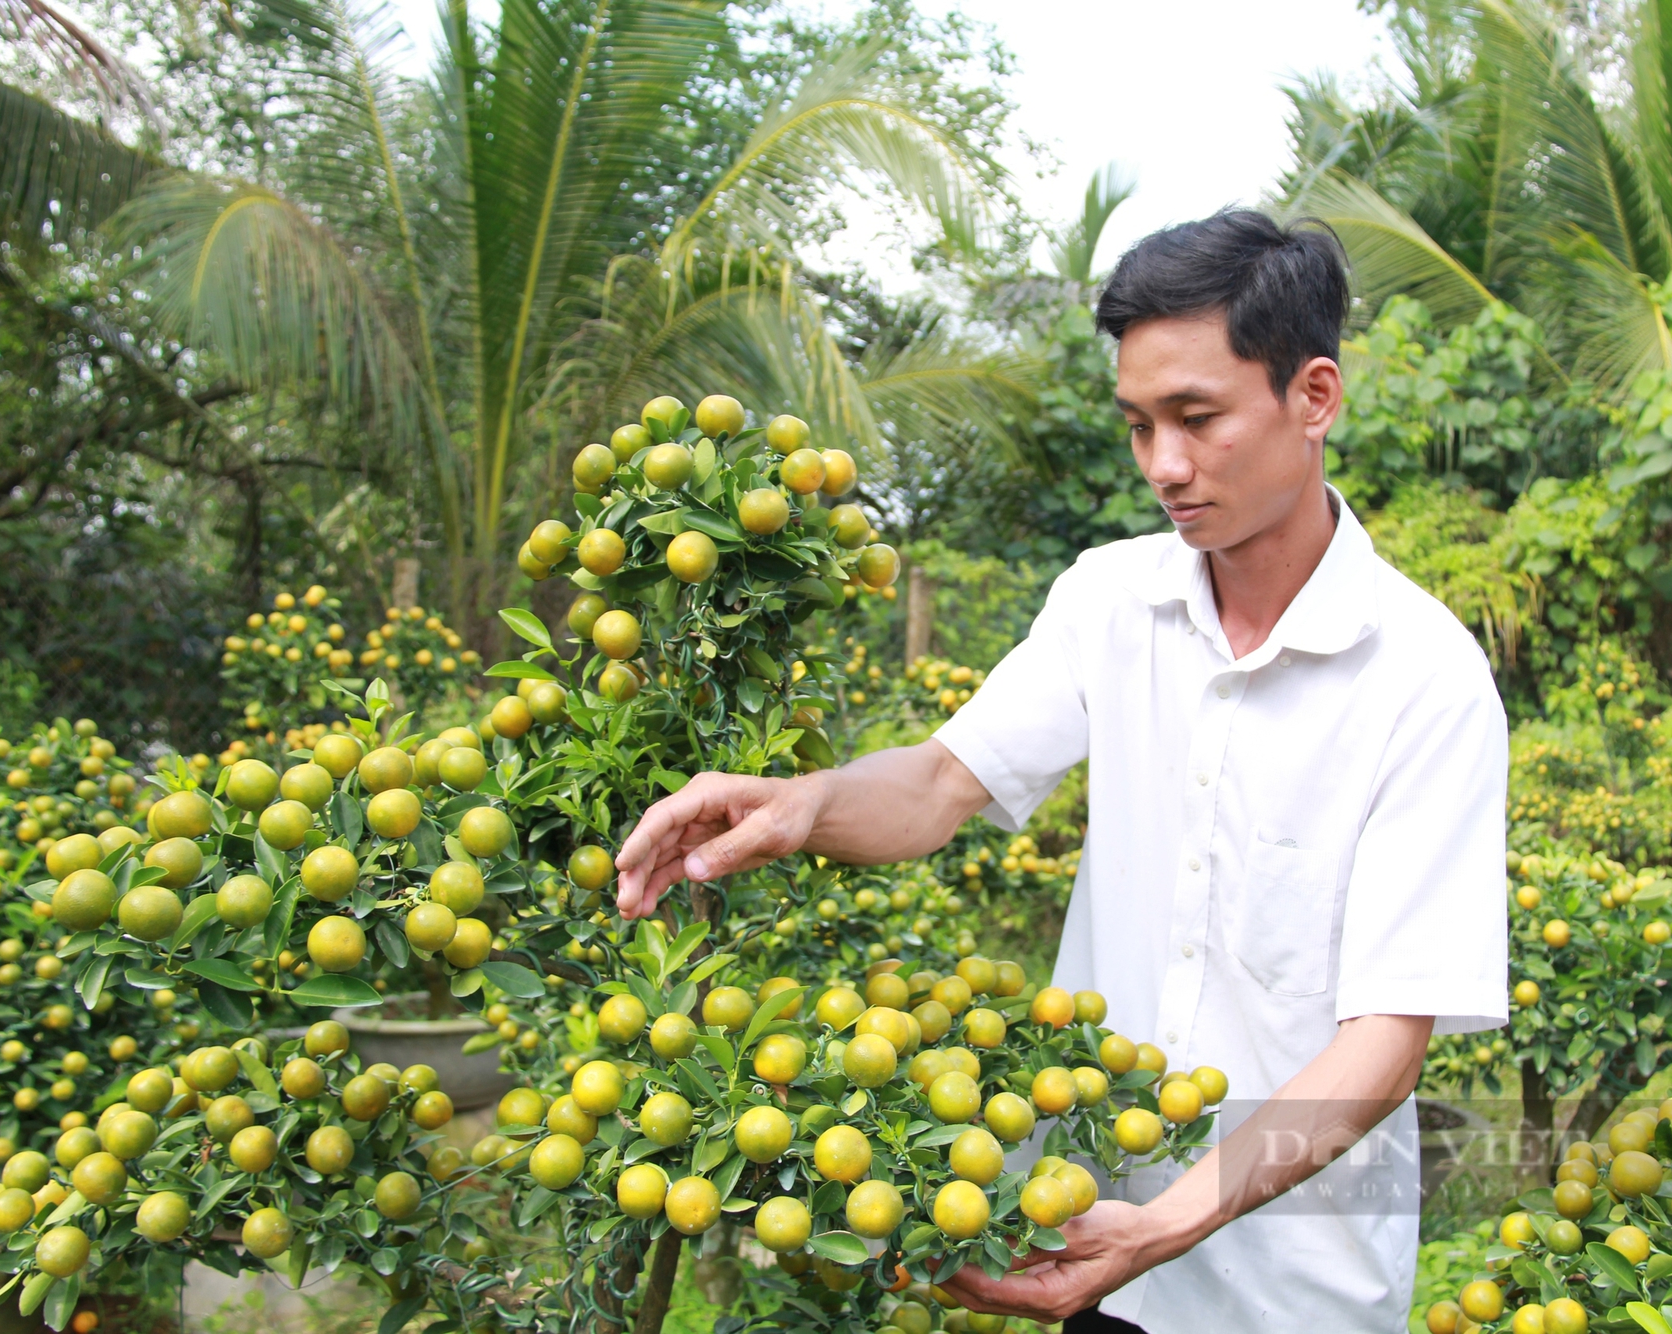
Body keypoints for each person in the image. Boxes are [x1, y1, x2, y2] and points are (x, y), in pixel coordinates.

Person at [615, 209, 1508, 1333]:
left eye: (1196, 418)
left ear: (1313, 397)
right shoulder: (1111, 597)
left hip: (1294, 1292)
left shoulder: (1423, 678)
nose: (1163, 468)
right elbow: (943, 782)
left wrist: (1170, 1218)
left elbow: (1383, 1038)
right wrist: (807, 802)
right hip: (1091, 1241)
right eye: (1138, 426)